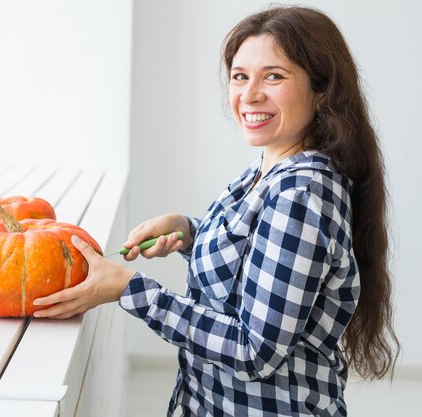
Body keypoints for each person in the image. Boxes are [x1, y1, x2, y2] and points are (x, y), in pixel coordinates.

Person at [33, 5, 399, 416]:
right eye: (240, 76)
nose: (249, 94)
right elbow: (257, 258)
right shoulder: (268, 171)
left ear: (321, 88)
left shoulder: (302, 195)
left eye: (274, 76)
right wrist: (189, 231)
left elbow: (253, 353)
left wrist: (129, 290)